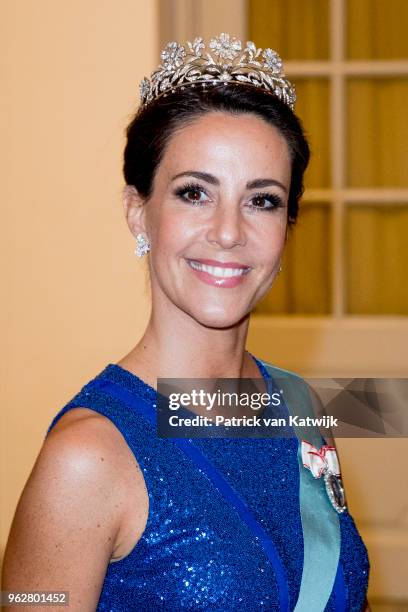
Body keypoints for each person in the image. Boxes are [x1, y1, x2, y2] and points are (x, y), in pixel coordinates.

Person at [2, 34, 370, 611]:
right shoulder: (88, 459)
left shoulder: (299, 406)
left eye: (262, 200)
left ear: (288, 226)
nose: (228, 232)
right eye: (195, 193)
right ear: (137, 212)